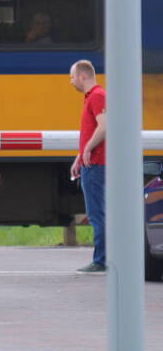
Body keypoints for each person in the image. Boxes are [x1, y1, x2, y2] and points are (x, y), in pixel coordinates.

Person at [69, 59, 106, 273]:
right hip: (91, 162)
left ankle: (101, 260)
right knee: (98, 212)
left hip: (97, 164)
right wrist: (79, 156)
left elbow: (104, 127)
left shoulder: (97, 96)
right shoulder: (92, 97)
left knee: (96, 213)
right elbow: (92, 130)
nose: (71, 81)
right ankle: (103, 258)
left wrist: (88, 150)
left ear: (82, 76)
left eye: (72, 77)